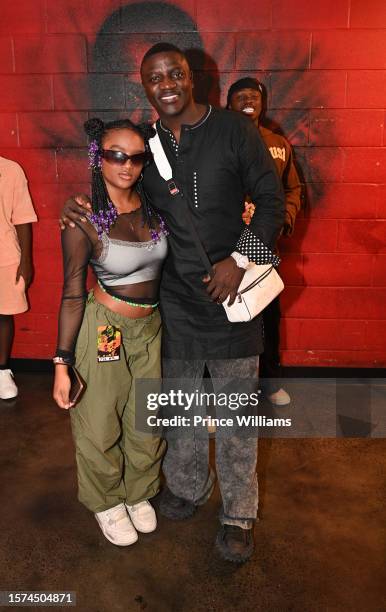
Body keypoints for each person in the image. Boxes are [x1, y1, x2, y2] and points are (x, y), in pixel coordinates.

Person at [60, 43, 284, 563]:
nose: (167, 84)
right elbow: (119, 188)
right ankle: (187, 487)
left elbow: (271, 202)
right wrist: (79, 206)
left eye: (175, 73)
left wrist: (239, 259)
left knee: (234, 418)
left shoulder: (234, 130)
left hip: (233, 302)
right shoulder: (147, 142)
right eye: (155, 77)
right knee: (180, 412)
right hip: (175, 304)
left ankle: (238, 513)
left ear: (192, 76)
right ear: (145, 86)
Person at [53, 118, 168, 546]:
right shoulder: (83, 218)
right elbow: (70, 293)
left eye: (136, 157)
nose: (127, 165)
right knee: (99, 422)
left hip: (150, 327)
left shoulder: (154, 204)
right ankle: (105, 500)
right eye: (116, 154)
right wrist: (62, 364)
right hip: (106, 328)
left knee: (147, 419)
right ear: (97, 157)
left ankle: (138, 492)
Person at [227, 77, 302, 406]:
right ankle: (217, 394)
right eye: (240, 96)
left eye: (254, 96)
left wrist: (281, 219)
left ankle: (269, 383)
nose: (248, 101)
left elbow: (292, 190)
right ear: (228, 104)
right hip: (225, 246)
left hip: (262, 244)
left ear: (263, 103)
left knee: (267, 314)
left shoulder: (278, 144)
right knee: (223, 319)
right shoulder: (216, 138)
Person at [0, 156, 37, 400]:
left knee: (3, 314)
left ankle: (2, 371)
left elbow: (23, 218)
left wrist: (26, 261)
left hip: (4, 256)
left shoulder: (10, 169)